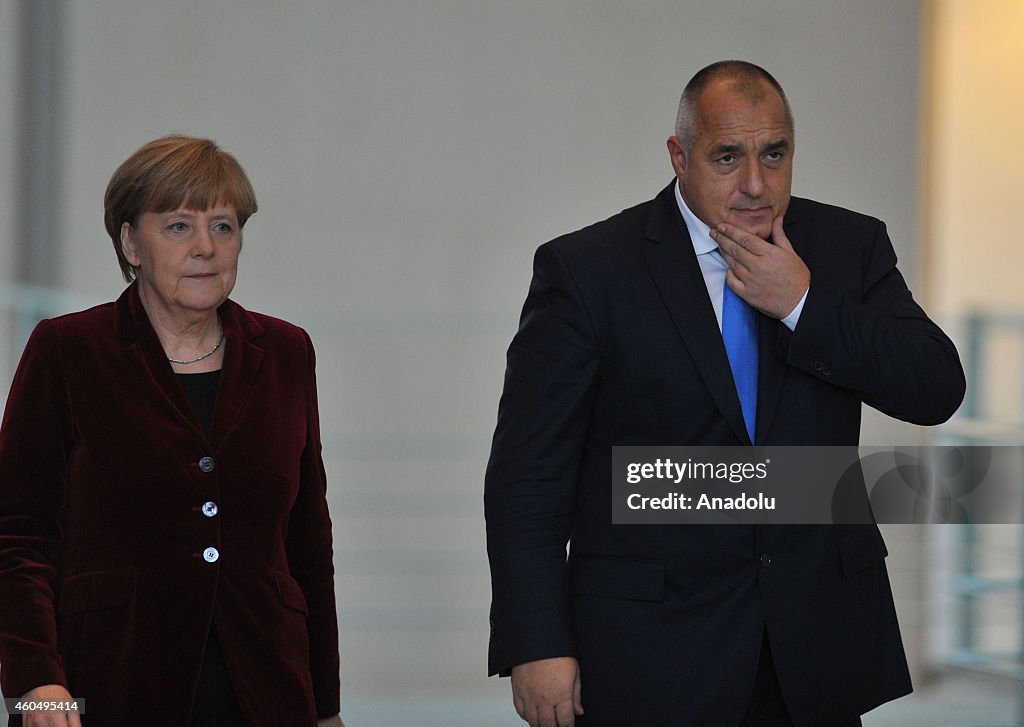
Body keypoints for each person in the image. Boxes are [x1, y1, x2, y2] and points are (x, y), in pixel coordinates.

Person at [484, 61, 966, 727]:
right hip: (650, 653)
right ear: (679, 157)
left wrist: (804, 302)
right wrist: (537, 643)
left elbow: (936, 385)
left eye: (775, 154)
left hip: (813, 650)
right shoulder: (588, 271)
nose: (755, 185)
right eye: (727, 157)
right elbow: (527, 479)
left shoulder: (847, 248)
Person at [0, 136, 346, 727]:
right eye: (179, 227)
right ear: (131, 242)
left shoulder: (287, 352)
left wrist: (325, 706)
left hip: (267, 691)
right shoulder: (69, 349)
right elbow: (16, 535)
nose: (206, 248)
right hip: (109, 684)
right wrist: (36, 682)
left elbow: (307, 541)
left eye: (224, 226)